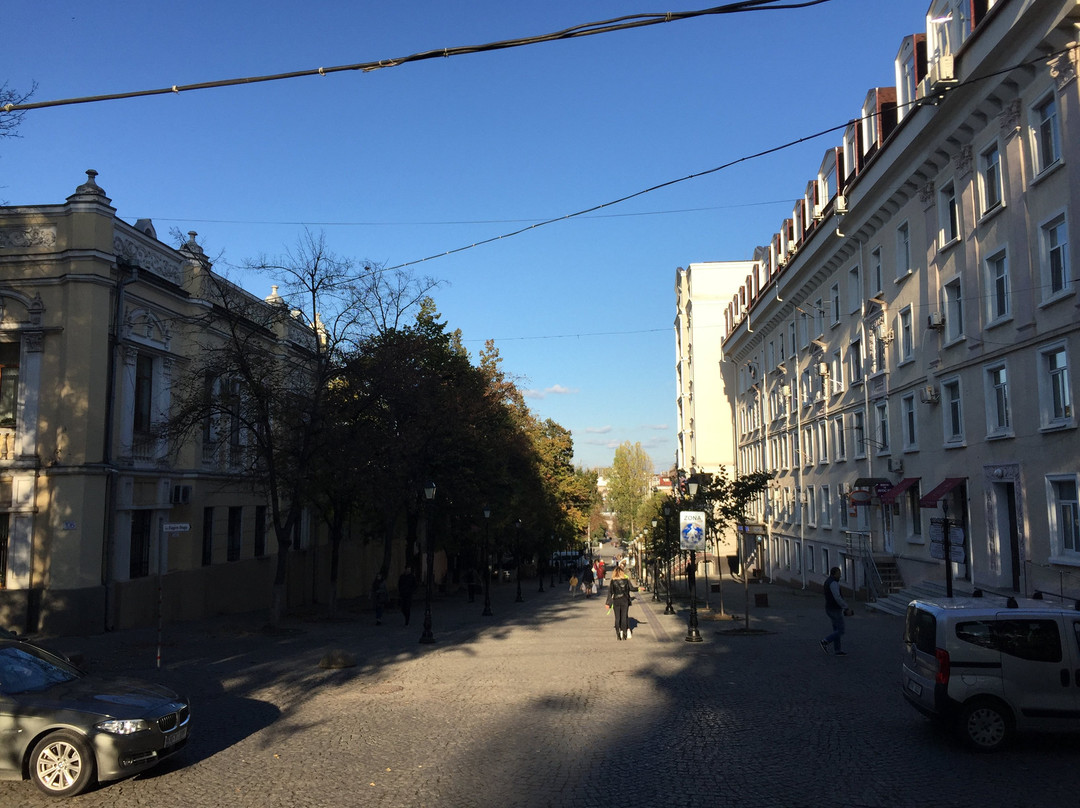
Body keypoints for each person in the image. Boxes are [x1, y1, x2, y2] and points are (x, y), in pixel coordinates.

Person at [820, 567, 854, 656]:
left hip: (829, 608)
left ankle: (837, 650)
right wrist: (845, 606)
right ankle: (825, 641)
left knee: (836, 629)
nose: (840, 575)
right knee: (841, 630)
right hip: (835, 609)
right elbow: (837, 597)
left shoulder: (827, 581)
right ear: (834, 574)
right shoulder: (833, 583)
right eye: (839, 573)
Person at [606, 564, 633, 640]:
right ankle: (624, 634)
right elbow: (632, 588)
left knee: (617, 618)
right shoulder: (626, 580)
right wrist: (639, 589)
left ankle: (618, 634)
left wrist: (608, 603)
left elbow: (610, 592)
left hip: (616, 600)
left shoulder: (613, 581)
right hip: (624, 600)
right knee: (624, 617)